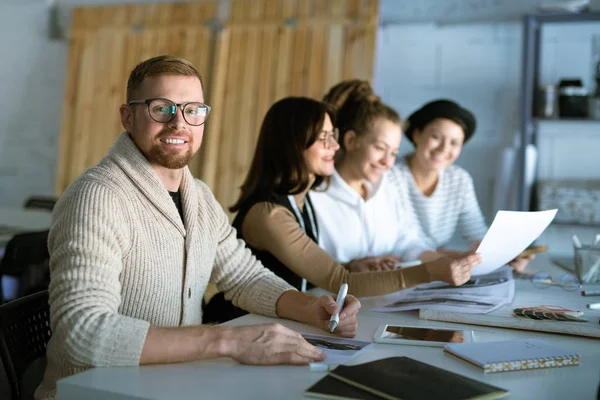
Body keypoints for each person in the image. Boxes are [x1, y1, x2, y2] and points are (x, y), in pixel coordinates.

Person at [35, 56, 361, 400]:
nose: (179, 123)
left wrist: (311, 309)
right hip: (93, 393)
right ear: (128, 117)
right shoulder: (98, 197)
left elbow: (245, 277)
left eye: (193, 110)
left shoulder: (199, 196)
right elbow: (81, 332)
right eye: (162, 108)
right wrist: (228, 341)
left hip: (176, 384)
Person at [227, 96, 480, 301]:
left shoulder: (298, 200)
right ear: (293, 144)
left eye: (333, 137)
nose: (334, 147)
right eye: (324, 138)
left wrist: (351, 265)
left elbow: (320, 273)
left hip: (290, 317)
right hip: (246, 323)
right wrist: (430, 271)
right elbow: (339, 281)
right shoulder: (272, 212)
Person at [310, 80, 481, 274]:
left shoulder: (384, 187)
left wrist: (455, 262)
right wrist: (348, 268)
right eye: (381, 148)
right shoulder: (315, 196)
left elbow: (406, 242)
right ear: (351, 140)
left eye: (393, 153)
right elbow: (304, 269)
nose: (388, 163)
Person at [388, 99, 534, 272]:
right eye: (436, 137)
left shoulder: (459, 180)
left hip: (437, 271)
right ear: (417, 134)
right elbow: (402, 244)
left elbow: (476, 233)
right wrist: (457, 258)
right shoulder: (390, 175)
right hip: (395, 273)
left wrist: (503, 255)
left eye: (454, 143)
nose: (443, 149)